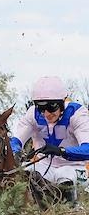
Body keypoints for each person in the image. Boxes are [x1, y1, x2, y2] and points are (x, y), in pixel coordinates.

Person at [9, 76, 89, 204]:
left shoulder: (77, 113)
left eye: (51, 107)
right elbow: (15, 140)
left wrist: (61, 151)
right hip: (45, 166)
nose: (46, 114)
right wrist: (16, 151)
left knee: (65, 174)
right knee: (23, 172)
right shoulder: (32, 114)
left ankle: (70, 213)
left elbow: (88, 149)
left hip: (75, 168)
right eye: (41, 108)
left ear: (62, 103)